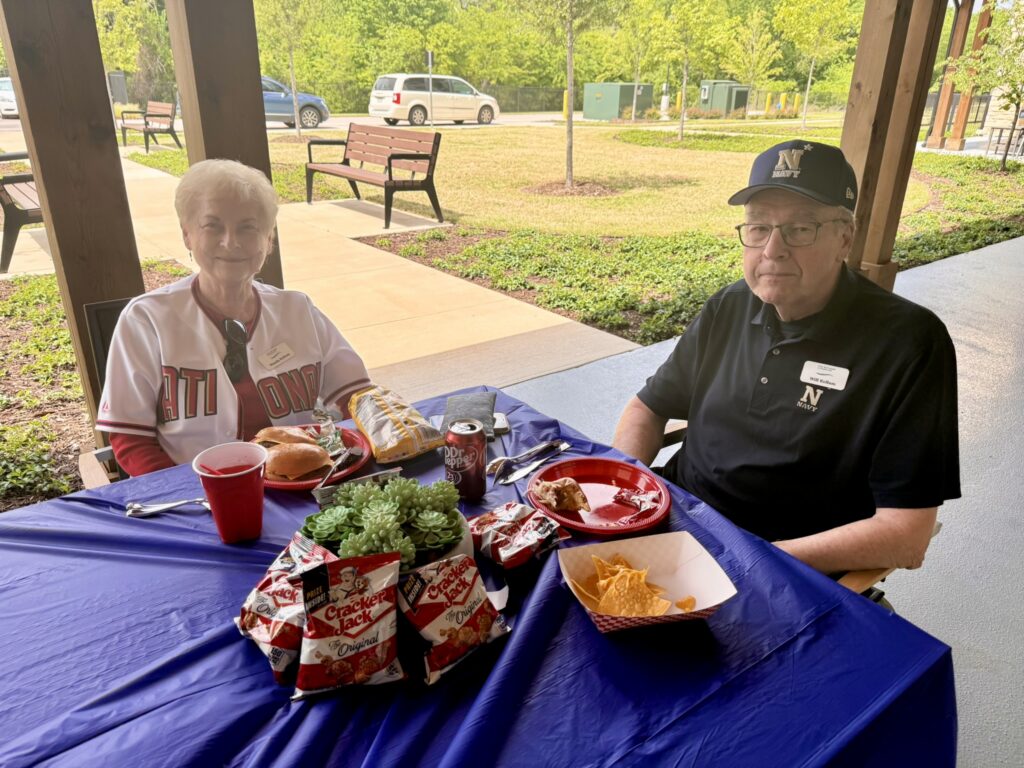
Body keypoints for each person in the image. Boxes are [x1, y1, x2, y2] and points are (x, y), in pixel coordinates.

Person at [612, 140, 960, 575]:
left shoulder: (909, 343)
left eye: (800, 228)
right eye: (759, 227)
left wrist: (757, 561)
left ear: (844, 238)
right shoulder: (729, 306)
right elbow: (647, 408)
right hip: (675, 517)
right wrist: (621, 492)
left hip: (783, 565)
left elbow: (906, 536)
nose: (772, 249)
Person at [97, 159, 372, 476]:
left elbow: (359, 398)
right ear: (187, 234)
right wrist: (195, 494)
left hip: (303, 488)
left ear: (268, 240)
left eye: (248, 227)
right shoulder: (146, 320)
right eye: (212, 226)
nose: (231, 242)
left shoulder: (298, 310)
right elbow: (130, 440)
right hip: (196, 495)